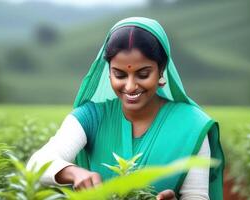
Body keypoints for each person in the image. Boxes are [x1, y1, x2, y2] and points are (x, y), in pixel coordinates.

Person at [27, 17, 224, 200]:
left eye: (143, 74)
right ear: (108, 72)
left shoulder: (191, 126)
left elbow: (196, 196)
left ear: (161, 69)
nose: (130, 86)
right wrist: (74, 172)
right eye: (120, 75)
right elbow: (37, 164)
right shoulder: (90, 117)